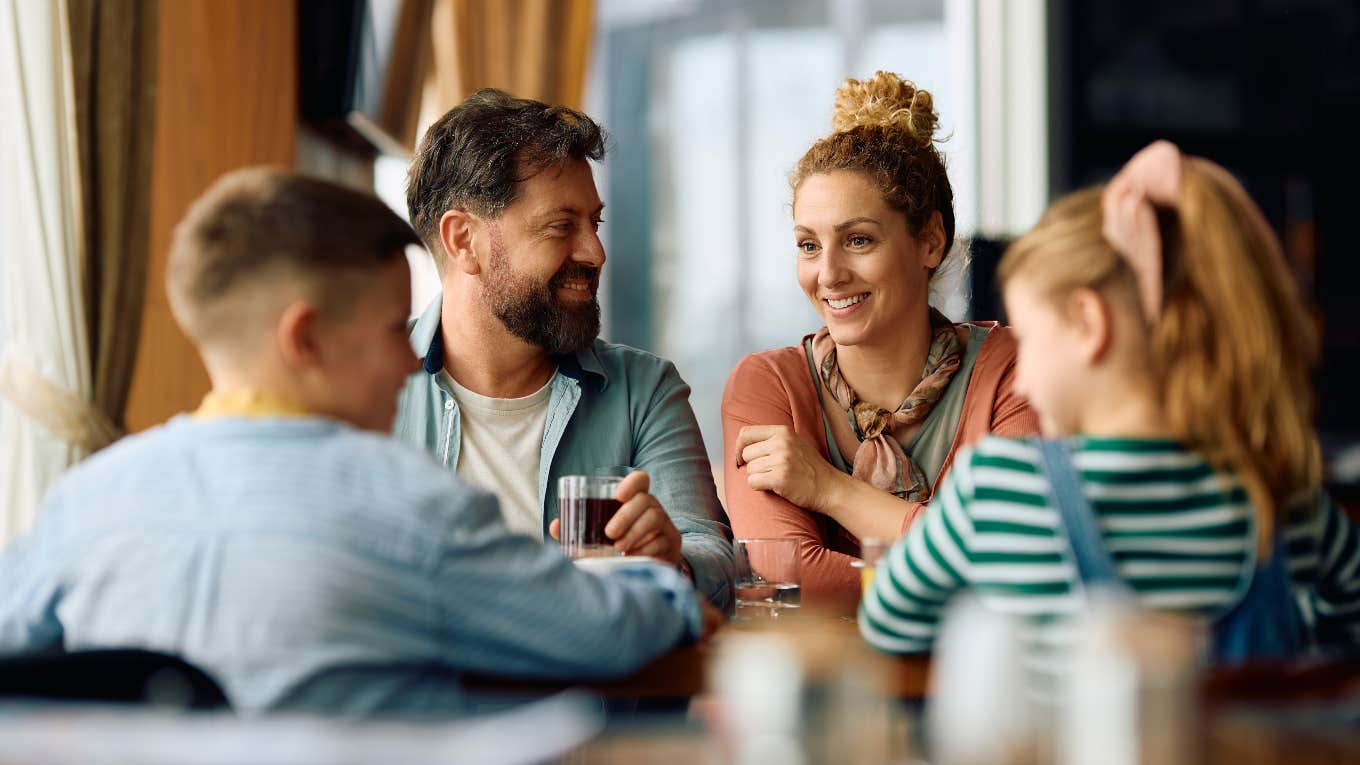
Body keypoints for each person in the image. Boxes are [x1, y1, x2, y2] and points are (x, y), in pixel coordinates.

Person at [0, 169, 714, 715]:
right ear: (305, 338)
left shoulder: (83, 499)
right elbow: (608, 630)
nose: (411, 361)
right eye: (387, 332)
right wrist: (655, 579)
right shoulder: (410, 508)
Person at [859, 142, 1360, 670]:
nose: (1023, 376)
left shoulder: (999, 485)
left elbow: (888, 624)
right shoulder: (1281, 496)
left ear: (1089, 324)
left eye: (1028, 339)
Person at [396, 88, 734, 607]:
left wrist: (675, 561)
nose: (595, 252)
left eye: (594, 224)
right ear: (463, 239)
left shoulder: (642, 390)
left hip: (596, 687)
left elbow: (714, 555)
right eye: (561, 227)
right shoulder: (367, 388)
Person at [722, 72, 1037, 611]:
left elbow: (1014, 570)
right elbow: (785, 583)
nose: (829, 274)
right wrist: (953, 563)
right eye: (808, 245)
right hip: (820, 686)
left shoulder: (1016, 370)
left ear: (930, 242)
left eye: (858, 240)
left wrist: (828, 489)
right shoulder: (768, 385)